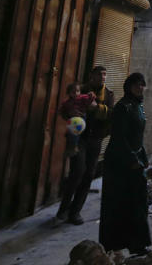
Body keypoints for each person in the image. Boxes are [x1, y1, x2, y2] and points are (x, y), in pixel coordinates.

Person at [99, 72, 152, 256]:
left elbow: (138, 137)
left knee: (137, 204)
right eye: (137, 85)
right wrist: (131, 160)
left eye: (142, 85)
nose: (140, 88)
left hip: (134, 161)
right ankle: (115, 243)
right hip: (120, 164)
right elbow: (119, 138)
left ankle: (136, 244)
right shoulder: (123, 107)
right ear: (129, 87)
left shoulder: (138, 106)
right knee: (119, 205)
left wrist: (143, 158)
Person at [57, 66, 114, 224]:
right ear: (91, 76)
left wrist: (98, 108)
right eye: (100, 74)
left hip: (96, 139)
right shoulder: (80, 90)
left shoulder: (108, 94)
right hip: (79, 139)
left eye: (105, 74)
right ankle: (63, 209)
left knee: (89, 174)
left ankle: (75, 212)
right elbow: (64, 109)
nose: (103, 77)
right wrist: (71, 114)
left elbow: (111, 114)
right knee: (77, 172)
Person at [58, 82, 95, 156]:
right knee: (71, 132)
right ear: (69, 93)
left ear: (80, 91)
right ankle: (70, 147)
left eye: (77, 91)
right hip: (73, 118)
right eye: (73, 92)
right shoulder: (67, 102)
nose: (76, 93)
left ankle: (74, 147)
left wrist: (92, 96)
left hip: (81, 118)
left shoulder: (82, 98)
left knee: (75, 132)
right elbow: (62, 109)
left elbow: (89, 100)